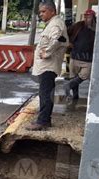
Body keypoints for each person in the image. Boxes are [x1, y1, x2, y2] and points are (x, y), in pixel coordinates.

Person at [26, 1, 68, 131]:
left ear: (52, 11)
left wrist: (47, 53)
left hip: (48, 66)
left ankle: (42, 121)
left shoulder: (56, 24)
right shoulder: (52, 23)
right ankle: (45, 119)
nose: (41, 14)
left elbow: (58, 39)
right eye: (40, 12)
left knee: (45, 94)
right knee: (45, 92)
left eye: (43, 11)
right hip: (46, 66)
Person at [64, 9, 96, 110]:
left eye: (89, 16)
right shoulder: (78, 25)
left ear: (93, 17)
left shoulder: (97, 28)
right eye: (85, 16)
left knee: (84, 75)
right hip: (75, 56)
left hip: (88, 59)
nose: (87, 18)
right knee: (74, 77)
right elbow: (67, 32)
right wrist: (68, 42)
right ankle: (75, 96)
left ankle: (68, 86)